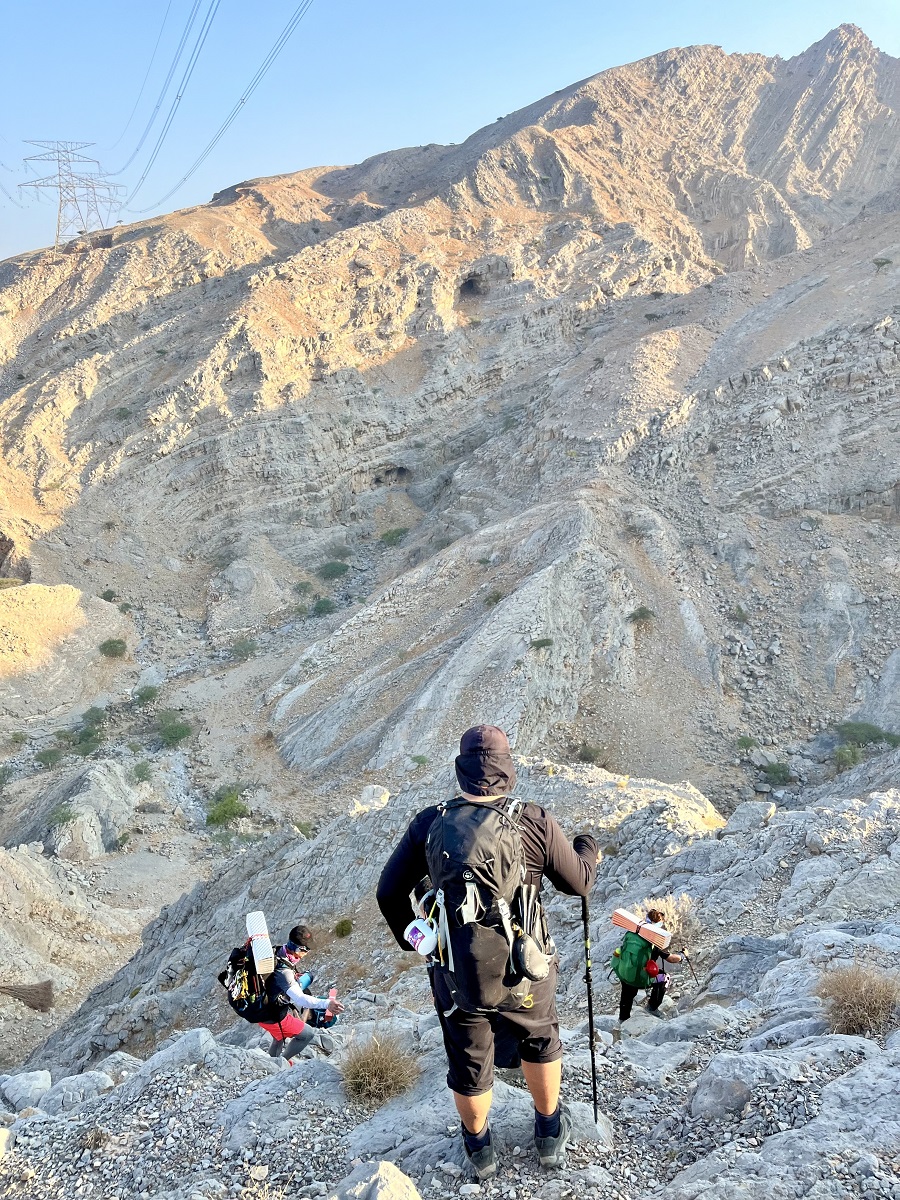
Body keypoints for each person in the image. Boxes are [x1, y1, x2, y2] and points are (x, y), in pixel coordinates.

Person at [377, 725, 598, 1179]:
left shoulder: (429, 823)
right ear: (507, 771)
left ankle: (480, 1150)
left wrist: (415, 938)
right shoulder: (532, 820)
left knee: (469, 1059)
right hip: (526, 967)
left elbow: (388, 892)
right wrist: (586, 849)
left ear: (461, 771)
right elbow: (579, 883)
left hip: (458, 970)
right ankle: (549, 1134)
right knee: (540, 1040)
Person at [259, 924, 344, 1061]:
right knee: (307, 1034)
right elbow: (301, 999)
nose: (307, 953)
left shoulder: (279, 952)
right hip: (272, 1015)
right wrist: (327, 1003)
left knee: (279, 1037)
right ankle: (282, 1062)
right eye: (306, 949)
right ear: (298, 949)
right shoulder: (284, 971)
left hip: (263, 1010)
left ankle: (272, 1063)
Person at [616, 908, 683, 1023]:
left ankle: (623, 1019)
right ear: (658, 923)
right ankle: (652, 1008)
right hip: (641, 977)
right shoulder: (654, 941)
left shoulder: (632, 933)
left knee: (627, 992)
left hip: (626, 971)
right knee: (664, 978)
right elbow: (671, 959)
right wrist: (682, 955)